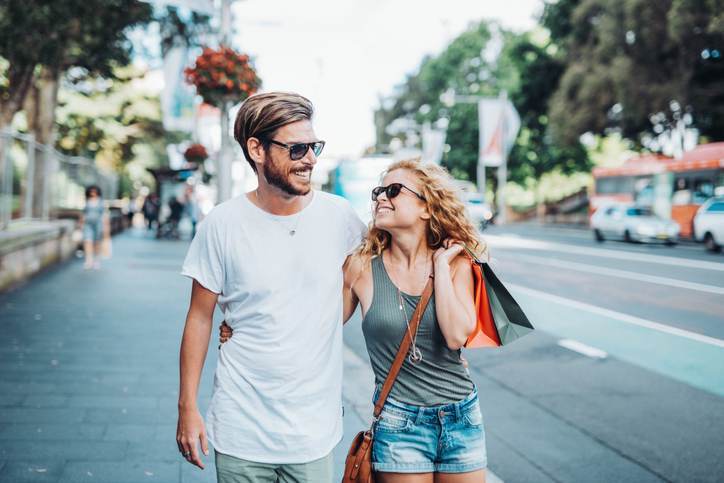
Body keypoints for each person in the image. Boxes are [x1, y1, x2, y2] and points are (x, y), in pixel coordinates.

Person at [222, 159, 490, 482]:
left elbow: (456, 336)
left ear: (427, 208)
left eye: (394, 191)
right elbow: (315, 320)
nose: (380, 198)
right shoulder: (361, 268)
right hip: (399, 421)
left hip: (461, 417)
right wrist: (244, 323)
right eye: (378, 191)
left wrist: (442, 267)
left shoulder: (456, 263)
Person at [176, 91, 366, 482]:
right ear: (256, 149)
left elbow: (366, 289)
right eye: (297, 149)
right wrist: (187, 408)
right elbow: (199, 317)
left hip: (312, 433)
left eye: (314, 146)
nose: (310, 158)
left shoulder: (340, 218)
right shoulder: (222, 225)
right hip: (240, 427)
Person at [80, 185, 109, 270]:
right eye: (91, 191)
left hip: (98, 224)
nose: (93, 193)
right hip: (88, 224)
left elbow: (104, 215)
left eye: (94, 191)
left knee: (97, 242)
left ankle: (96, 260)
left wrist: (106, 227)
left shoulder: (101, 202)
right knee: (87, 241)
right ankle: (89, 260)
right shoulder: (87, 201)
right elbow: (84, 214)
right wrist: (81, 224)